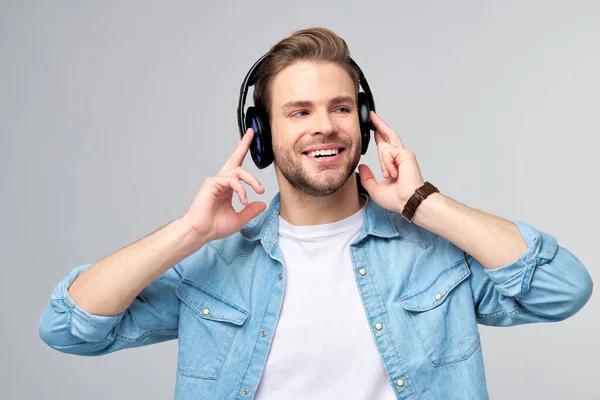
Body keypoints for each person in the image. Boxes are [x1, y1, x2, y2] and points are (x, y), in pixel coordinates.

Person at [39, 27, 593, 400]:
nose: (324, 126)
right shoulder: (214, 270)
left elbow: (562, 289)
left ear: (365, 122)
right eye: (298, 111)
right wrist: (189, 233)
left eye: (340, 108)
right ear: (260, 135)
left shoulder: (433, 257)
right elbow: (69, 328)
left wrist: (423, 202)